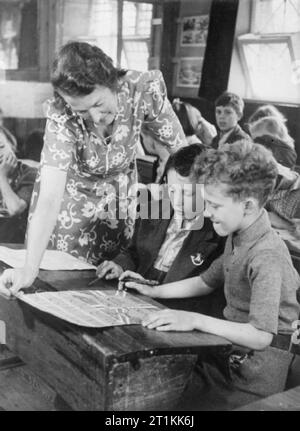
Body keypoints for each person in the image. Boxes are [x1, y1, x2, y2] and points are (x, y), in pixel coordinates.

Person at [122, 140, 300, 409]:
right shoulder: (239, 234)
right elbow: (207, 280)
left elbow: (261, 335)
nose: (205, 212)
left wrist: (193, 319)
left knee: (163, 402)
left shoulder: (267, 254)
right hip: (225, 356)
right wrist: (153, 291)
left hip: (252, 375)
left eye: (214, 206)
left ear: (248, 205)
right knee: (151, 392)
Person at [0, 41, 186, 297]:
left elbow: (181, 151)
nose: (96, 118)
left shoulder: (142, 89)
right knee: (64, 288)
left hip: (119, 205)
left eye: (98, 104)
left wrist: (194, 215)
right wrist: (28, 271)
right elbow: (50, 198)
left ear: (113, 83)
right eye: (82, 111)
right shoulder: (61, 115)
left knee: (116, 282)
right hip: (70, 213)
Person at [96, 144, 225, 314]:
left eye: (188, 194)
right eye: (172, 190)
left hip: (181, 310)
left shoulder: (220, 230)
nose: (177, 201)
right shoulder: (153, 210)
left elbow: (209, 284)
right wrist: (120, 265)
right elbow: (133, 252)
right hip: (137, 297)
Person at [0, 125, 37, 243]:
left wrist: (2, 177)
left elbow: (15, 209)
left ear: (11, 145)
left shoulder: (29, 173)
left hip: (20, 243)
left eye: (1, 146)